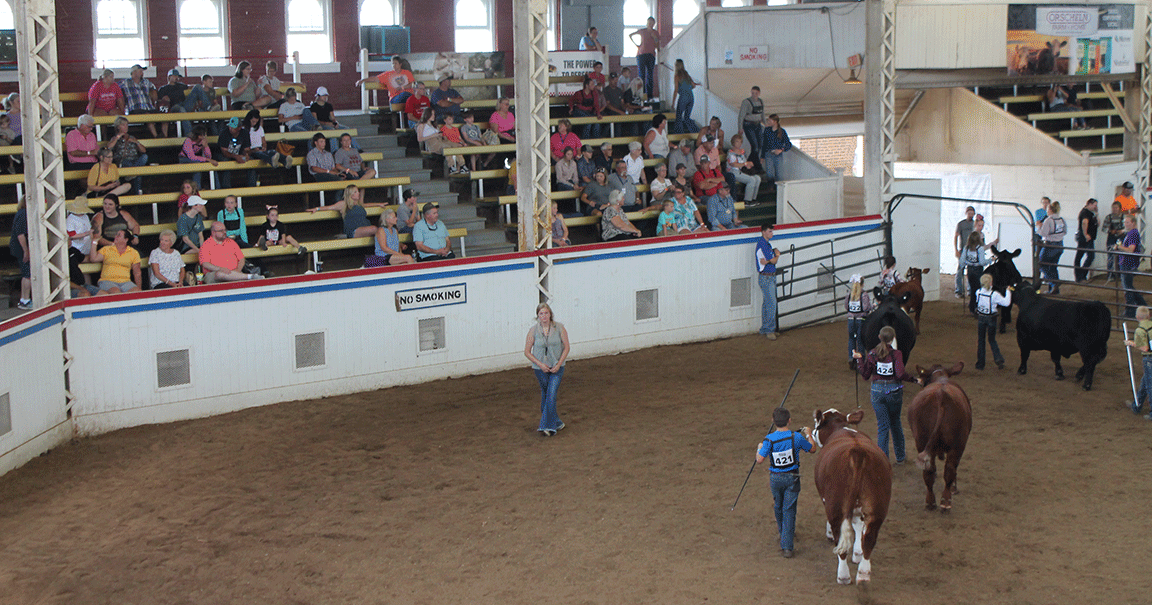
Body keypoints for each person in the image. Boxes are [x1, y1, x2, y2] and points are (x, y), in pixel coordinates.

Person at [755, 407, 815, 558]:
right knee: (789, 509)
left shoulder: (769, 439)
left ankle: (784, 534)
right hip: (792, 477)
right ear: (789, 420)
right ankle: (787, 545)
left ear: (773, 421)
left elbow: (759, 460)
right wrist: (809, 435)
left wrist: (759, 448)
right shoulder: (796, 437)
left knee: (778, 505)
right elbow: (812, 449)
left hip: (775, 478)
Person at [853, 326, 916, 462]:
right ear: (893, 338)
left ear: (879, 337)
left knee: (882, 427)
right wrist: (913, 379)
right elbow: (900, 373)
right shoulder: (897, 354)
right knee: (896, 423)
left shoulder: (872, 354)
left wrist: (859, 359)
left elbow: (865, 375)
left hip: (877, 391)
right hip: (894, 391)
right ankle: (900, 457)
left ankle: (883, 460)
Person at [524, 302, 570, 437]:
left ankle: (546, 426)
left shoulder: (560, 328)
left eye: (546, 313)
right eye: (541, 314)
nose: (544, 316)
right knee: (546, 395)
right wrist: (540, 364)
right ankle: (557, 422)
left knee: (551, 394)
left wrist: (559, 364)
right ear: (537, 316)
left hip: (557, 367)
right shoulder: (533, 331)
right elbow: (527, 352)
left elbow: (566, 347)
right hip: (540, 369)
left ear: (550, 314)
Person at [309, 184, 388, 239]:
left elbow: (367, 205)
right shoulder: (344, 204)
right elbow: (329, 207)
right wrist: (317, 208)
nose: (358, 193)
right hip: (354, 231)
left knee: (385, 231)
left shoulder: (359, 204)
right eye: (356, 192)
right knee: (375, 229)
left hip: (365, 228)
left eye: (358, 191)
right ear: (351, 194)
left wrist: (379, 204)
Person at [974, 273, 1013, 370]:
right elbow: (1006, 303)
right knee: (992, 339)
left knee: (981, 340)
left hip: (981, 318)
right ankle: (998, 358)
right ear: (991, 283)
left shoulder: (978, 292)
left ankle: (980, 364)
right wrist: (1008, 291)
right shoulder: (994, 294)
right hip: (991, 318)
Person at [88, 228, 142, 295]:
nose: (115, 237)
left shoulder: (133, 252)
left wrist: (139, 288)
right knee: (116, 292)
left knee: (137, 292)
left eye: (119, 235)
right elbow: (93, 259)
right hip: (107, 281)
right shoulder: (107, 249)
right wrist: (94, 242)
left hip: (126, 282)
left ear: (126, 240)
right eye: (116, 235)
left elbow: (137, 273)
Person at [416, 109, 466, 174]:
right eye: (432, 114)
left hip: (440, 140)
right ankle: (451, 166)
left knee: (455, 145)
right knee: (447, 147)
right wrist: (433, 135)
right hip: (432, 143)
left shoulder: (434, 125)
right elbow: (419, 139)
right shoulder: (422, 125)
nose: (434, 116)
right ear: (428, 115)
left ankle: (463, 165)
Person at [1124, 306, 1152, 419]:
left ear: (1137, 317)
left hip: (1149, 359)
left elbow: (1145, 348)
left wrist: (1131, 343)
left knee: (1149, 386)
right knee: (1145, 383)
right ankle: (1137, 405)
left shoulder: (1140, 330)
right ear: (1149, 316)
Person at [108, 116, 148, 194]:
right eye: (123, 125)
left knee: (145, 157)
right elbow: (109, 147)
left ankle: (132, 174)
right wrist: (117, 138)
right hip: (123, 161)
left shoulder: (132, 137)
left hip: (135, 160)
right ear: (118, 126)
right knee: (137, 170)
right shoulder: (114, 138)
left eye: (126, 125)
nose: (126, 127)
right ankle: (138, 192)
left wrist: (136, 142)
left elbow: (144, 151)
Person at [961, 231, 998, 314]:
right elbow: (982, 262)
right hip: (978, 270)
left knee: (973, 289)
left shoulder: (966, 248)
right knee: (979, 289)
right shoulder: (980, 249)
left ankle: (972, 307)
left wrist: (965, 264)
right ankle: (978, 307)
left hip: (970, 270)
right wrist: (991, 260)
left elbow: (962, 260)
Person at [1117, 213, 1146, 318]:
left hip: (1127, 263)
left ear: (1133, 223)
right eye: (1124, 222)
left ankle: (1130, 310)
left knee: (1127, 287)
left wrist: (1120, 247)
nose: (1125, 224)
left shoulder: (1133, 234)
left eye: (1127, 222)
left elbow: (1131, 249)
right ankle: (1142, 305)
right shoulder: (1131, 233)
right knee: (1129, 286)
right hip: (1127, 263)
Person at [119, 64, 160, 138]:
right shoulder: (125, 83)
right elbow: (114, 88)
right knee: (148, 116)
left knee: (164, 116)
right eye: (140, 71)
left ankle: (165, 136)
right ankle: (157, 137)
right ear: (134, 72)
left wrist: (153, 93)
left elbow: (154, 91)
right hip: (135, 109)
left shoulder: (146, 82)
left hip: (149, 108)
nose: (142, 73)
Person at [1038, 200, 1067, 294]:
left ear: (1050, 210)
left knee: (1041, 264)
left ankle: (1054, 283)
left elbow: (1043, 233)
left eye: (1048, 209)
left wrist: (1039, 227)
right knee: (1053, 266)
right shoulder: (1061, 219)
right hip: (1060, 244)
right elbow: (1065, 232)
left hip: (1050, 245)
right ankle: (1054, 289)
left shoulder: (1048, 220)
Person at [845, 274, 872, 369]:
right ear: (862, 284)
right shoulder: (864, 294)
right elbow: (865, 308)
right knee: (860, 340)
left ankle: (851, 358)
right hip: (861, 320)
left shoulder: (849, 294)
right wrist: (873, 306)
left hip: (851, 320)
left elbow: (846, 307)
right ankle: (861, 360)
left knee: (851, 339)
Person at [757, 224, 780, 339]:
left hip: (766, 276)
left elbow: (770, 260)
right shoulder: (764, 245)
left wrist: (771, 259)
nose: (772, 233)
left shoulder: (764, 244)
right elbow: (774, 260)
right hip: (767, 277)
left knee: (767, 303)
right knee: (771, 303)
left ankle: (766, 328)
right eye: (770, 231)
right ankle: (769, 329)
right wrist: (777, 254)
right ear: (764, 232)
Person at [216, 116, 251, 189]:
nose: (230, 129)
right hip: (223, 155)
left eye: (233, 127)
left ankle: (251, 186)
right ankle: (226, 188)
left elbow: (247, 149)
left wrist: (246, 155)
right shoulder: (224, 133)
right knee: (225, 162)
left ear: (239, 127)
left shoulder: (245, 133)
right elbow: (224, 152)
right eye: (230, 127)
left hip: (238, 154)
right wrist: (236, 156)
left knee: (251, 161)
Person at [629, 16, 659, 98]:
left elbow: (657, 45)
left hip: (651, 55)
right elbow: (631, 35)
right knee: (641, 75)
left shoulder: (655, 33)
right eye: (649, 23)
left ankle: (649, 95)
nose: (650, 24)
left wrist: (655, 37)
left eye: (652, 23)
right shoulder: (642, 31)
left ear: (654, 24)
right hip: (641, 55)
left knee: (650, 75)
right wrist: (637, 45)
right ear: (647, 23)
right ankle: (641, 94)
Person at [9, 197, 30, 309]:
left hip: (20, 247)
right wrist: (26, 251)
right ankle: (25, 300)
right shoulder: (23, 214)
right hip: (21, 247)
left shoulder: (22, 213)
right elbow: (20, 234)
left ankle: (24, 299)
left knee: (27, 273)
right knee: (28, 274)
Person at [727, 133, 761, 202]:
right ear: (733, 142)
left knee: (757, 178)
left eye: (740, 142)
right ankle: (747, 200)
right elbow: (733, 164)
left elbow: (744, 162)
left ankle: (753, 198)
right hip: (733, 172)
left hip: (742, 171)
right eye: (737, 141)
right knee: (751, 180)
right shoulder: (731, 153)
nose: (739, 144)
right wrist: (745, 164)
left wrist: (748, 165)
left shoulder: (742, 152)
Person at [738, 86, 765, 169]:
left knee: (760, 145)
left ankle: (750, 164)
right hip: (749, 125)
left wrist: (765, 123)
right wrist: (740, 127)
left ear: (759, 93)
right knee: (755, 146)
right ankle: (756, 166)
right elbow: (741, 115)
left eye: (756, 93)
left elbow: (762, 114)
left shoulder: (761, 101)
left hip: (758, 125)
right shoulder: (746, 102)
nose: (754, 95)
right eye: (752, 93)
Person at [952, 206, 976, 298]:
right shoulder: (961, 224)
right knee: (960, 270)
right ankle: (959, 291)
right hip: (963, 250)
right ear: (966, 213)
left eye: (972, 213)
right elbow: (956, 236)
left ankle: (970, 290)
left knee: (971, 270)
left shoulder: (975, 224)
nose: (971, 215)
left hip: (972, 250)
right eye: (969, 213)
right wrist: (956, 250)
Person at [157, 68, 188, 137]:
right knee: (181, 109)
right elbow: (160, 101)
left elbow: (190, 89)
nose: (177, 78)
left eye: (177, 76)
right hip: (173, 107)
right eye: (175, 76)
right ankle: (189, 134)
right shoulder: (163, 89)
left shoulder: (182, 86)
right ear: (169, 77)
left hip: (184, 104)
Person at [761, 114, 792, 184]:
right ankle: (771, 187)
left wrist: (781, 149)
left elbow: (788, 144)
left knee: (779, 174)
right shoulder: (767, 130)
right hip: (769, 153)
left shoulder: (782, 131)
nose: (768, 121)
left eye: (770, 120)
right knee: (769, 174)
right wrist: (762, 156)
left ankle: (778, 189)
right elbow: (764, 144)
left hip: (778, 154)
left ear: (775, 121)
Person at [1074, 198, 1099, 283]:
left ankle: (1081, 276)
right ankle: (1080, 276)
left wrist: (1096, 214)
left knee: (1082, 256)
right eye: (1095, 205)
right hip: (1085, 238)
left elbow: (1097, 223)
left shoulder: (1091, 213)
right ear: (1089, 204)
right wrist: (1085, 234)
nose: (1096, 207)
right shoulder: (1085, 213)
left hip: (1088, 237)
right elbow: (1084, 222)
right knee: (1087, 256)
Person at [671, 59, 699, 134]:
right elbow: (693, 85)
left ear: (676, 66)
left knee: (679, 117)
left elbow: (676, 90)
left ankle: (679, 134)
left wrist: (673, 103)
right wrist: (688, 89)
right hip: (691, 97)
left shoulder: (677, 76)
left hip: (683, 98)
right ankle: (696, 132)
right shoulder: (686, 74)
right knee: (687, 118)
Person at [1103, 200, 1126, 282]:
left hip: (1121, 239)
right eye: (1113, 208)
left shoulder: (1124, 217)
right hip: (1111, 239)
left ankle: (1121, 274)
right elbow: (1104, 228)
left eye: (1116, 208)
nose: (1114, 209)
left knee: (1121, 256)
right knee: (1110, 257)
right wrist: (1110, 231)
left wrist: (1122, 231)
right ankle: (1110, 274)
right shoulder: (1108, 217)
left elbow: (1128, 228)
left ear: (1120, 208)